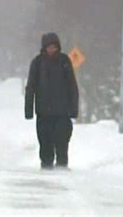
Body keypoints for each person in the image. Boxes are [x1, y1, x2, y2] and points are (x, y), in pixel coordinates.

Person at [25, 33, 79, 170]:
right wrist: (28, 109)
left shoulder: (64, 61)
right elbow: (31, 86)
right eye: (49, 47)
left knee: (62, 139)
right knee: (45, 140)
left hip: (62, 111)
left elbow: (72, 85)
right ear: (44, 47)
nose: (51, 50)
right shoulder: (37, 63)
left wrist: (73, 109)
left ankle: (62, 164)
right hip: (43, 111)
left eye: (54, 47)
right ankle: (46, 164)